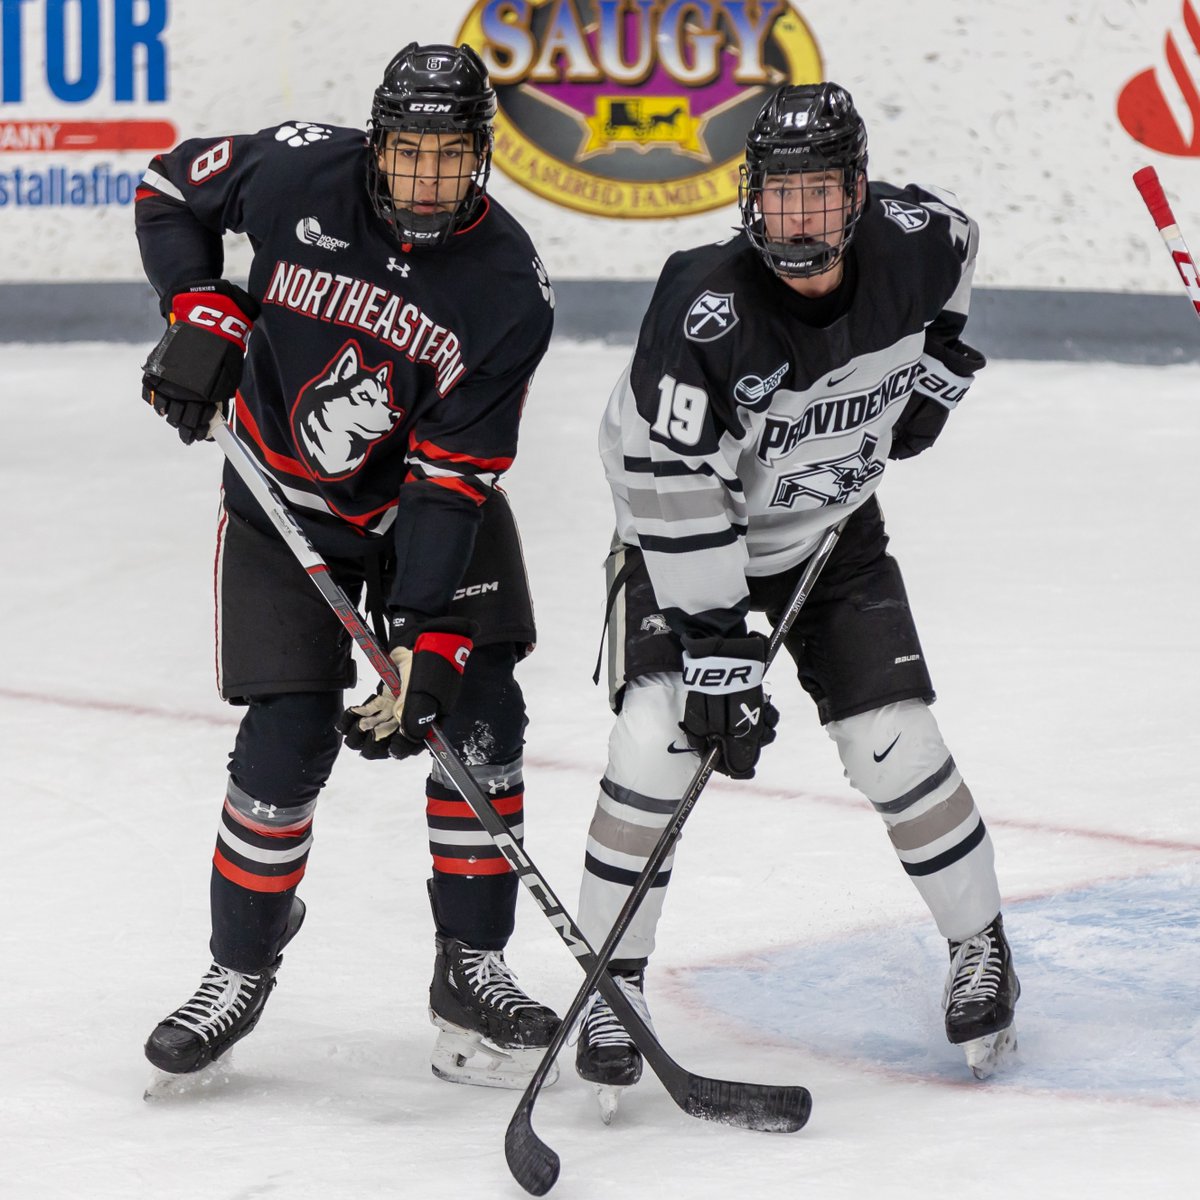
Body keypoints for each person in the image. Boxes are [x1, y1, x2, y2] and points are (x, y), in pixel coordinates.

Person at [572, 82, 1019, 1106]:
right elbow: (667, 484)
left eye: (820, 193)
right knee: (655, 740)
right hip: (682, 538)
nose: (799, 218)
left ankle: (980, 945)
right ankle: (612, 985)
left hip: (831, 534)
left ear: (857, 193)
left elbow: (959, 245)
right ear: (751, 198)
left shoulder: (914, 242)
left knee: (894, 740)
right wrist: (716, 647)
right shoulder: (704, 309)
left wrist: (940, 363)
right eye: (781, 195)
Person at [135, 42, 560, 1090]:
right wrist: (200, 307)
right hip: (279, 495)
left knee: (478, 713)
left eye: (450, 157)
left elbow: (450, 481)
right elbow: (167, 190)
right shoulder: (296, 171)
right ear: (376, 146)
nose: (428, 178)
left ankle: (472, 967)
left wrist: (423, 635)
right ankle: (239, 966)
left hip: (426, 504)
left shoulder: (508, 286)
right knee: (286, 736)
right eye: (410, 153)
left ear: (482, 157)